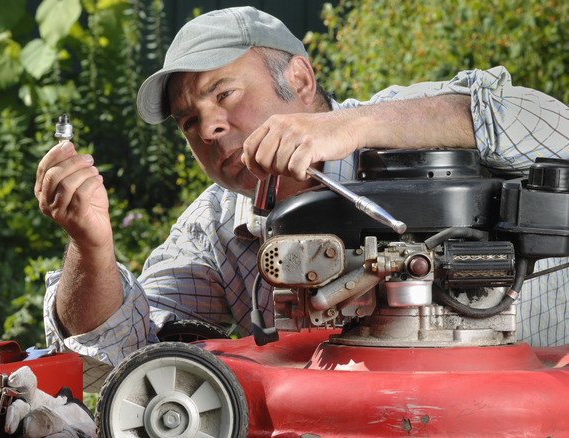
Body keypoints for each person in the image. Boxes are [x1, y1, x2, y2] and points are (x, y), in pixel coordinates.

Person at [34, 6, 569, 391]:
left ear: (300, 77)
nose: (210, 128)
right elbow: (121, 365)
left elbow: (552, 126)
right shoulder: (214, 228)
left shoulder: (405, 122)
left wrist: (350, 127)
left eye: (224, 94)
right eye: (188, 121)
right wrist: (91, 247)